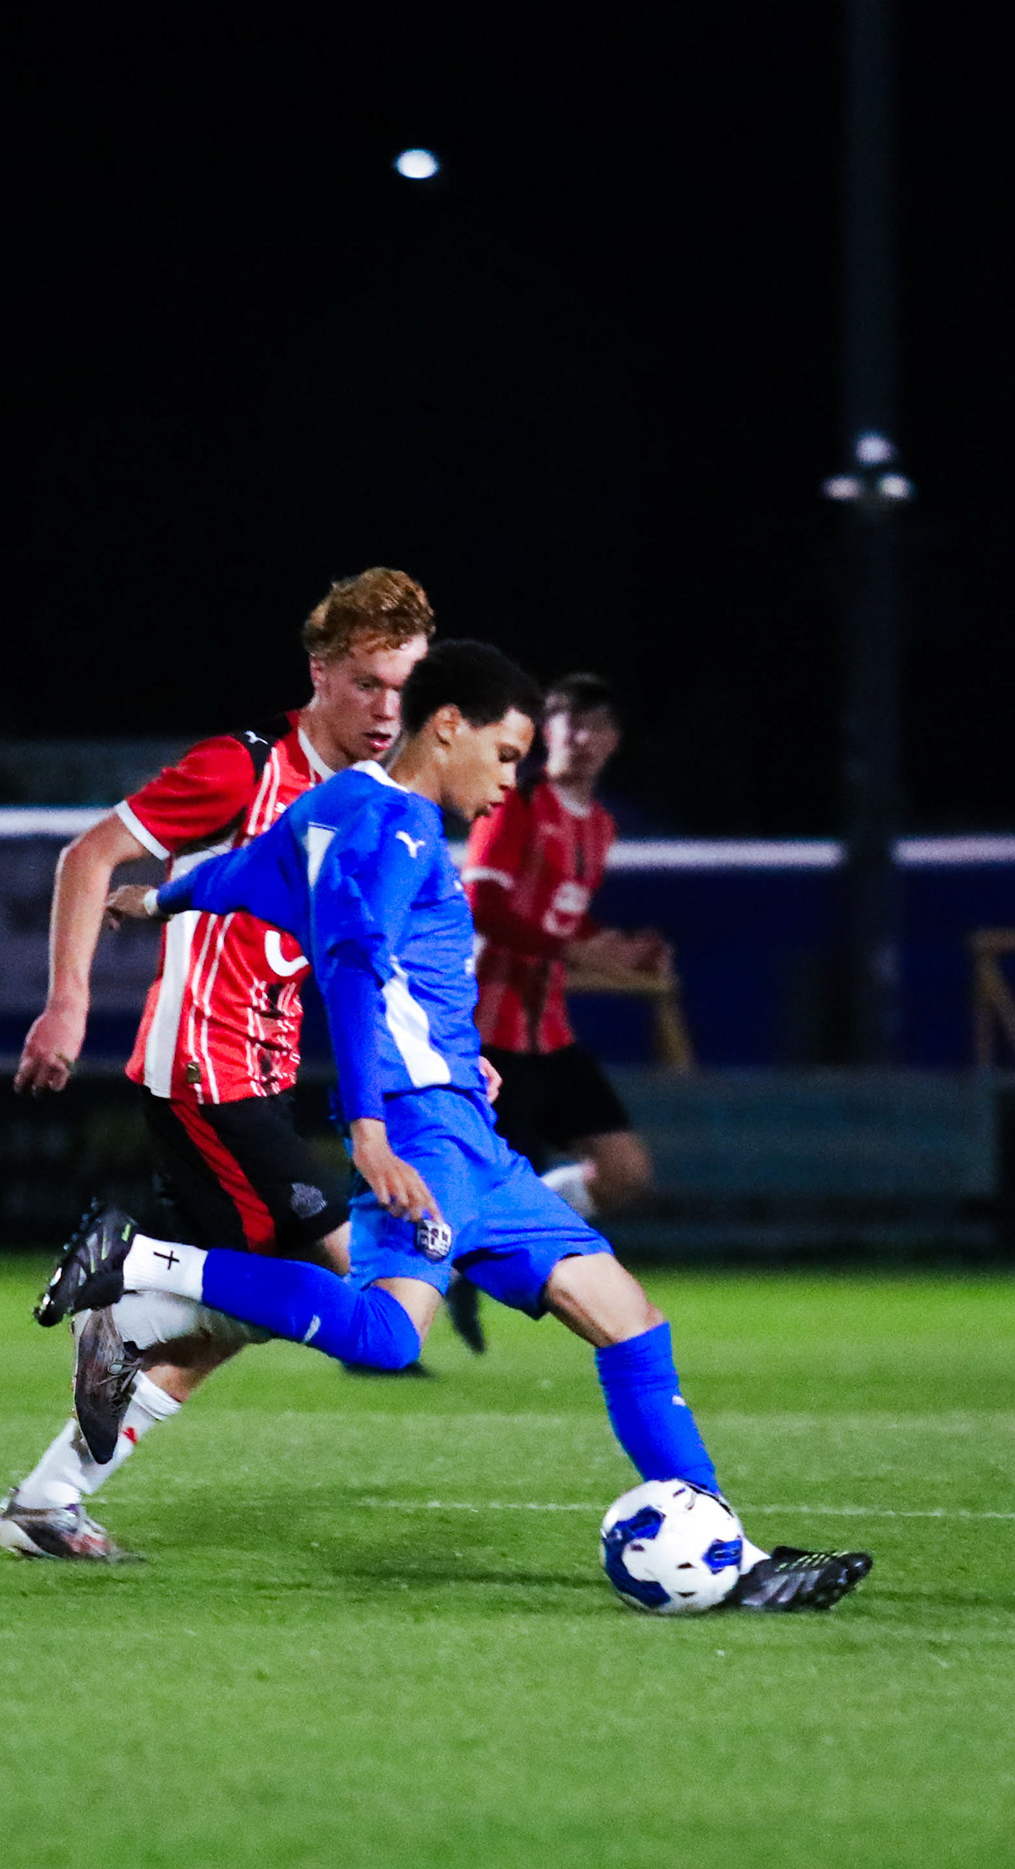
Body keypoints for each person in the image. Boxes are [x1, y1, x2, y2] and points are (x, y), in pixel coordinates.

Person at [54, 639, 871, 1614]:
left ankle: (728, 1560)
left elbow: (240, 874)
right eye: (508, 752)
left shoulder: (330, 812)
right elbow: (353, 965)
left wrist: (155, 899)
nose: (510, 779)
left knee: (632, 1324)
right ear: (449, 727)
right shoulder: (399, 835)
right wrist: (366, 1129)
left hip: (477, 1145)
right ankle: (142, 1262)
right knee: (388, 1338)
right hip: (423, 1140)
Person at [0, 567, 432, 1560]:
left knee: (236, 1317)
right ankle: (123, 1287)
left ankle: (48, 1499)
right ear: (321, 672)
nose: (386, 710)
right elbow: (90, 855)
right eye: (368, 683)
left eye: (404, 689)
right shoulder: (244, 768)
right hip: (204, 1074)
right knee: (355, 1291)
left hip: (257, 1080)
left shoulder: (362, 805)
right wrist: (67, 1002)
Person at [452, 672, 667, 1351]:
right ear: (548, 733)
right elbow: (483, 908)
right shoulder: (513, 806)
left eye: (595, 726)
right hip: (492, 1034)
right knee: (464, 1191)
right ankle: (384, 1304)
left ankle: (475, 1250)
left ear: (613, 741)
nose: (582, 738)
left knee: (626, 1172)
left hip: (551, 1034)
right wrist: (587, 957)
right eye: (569, 724)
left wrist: (621, 947)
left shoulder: (599, 827)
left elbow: (561, 920)